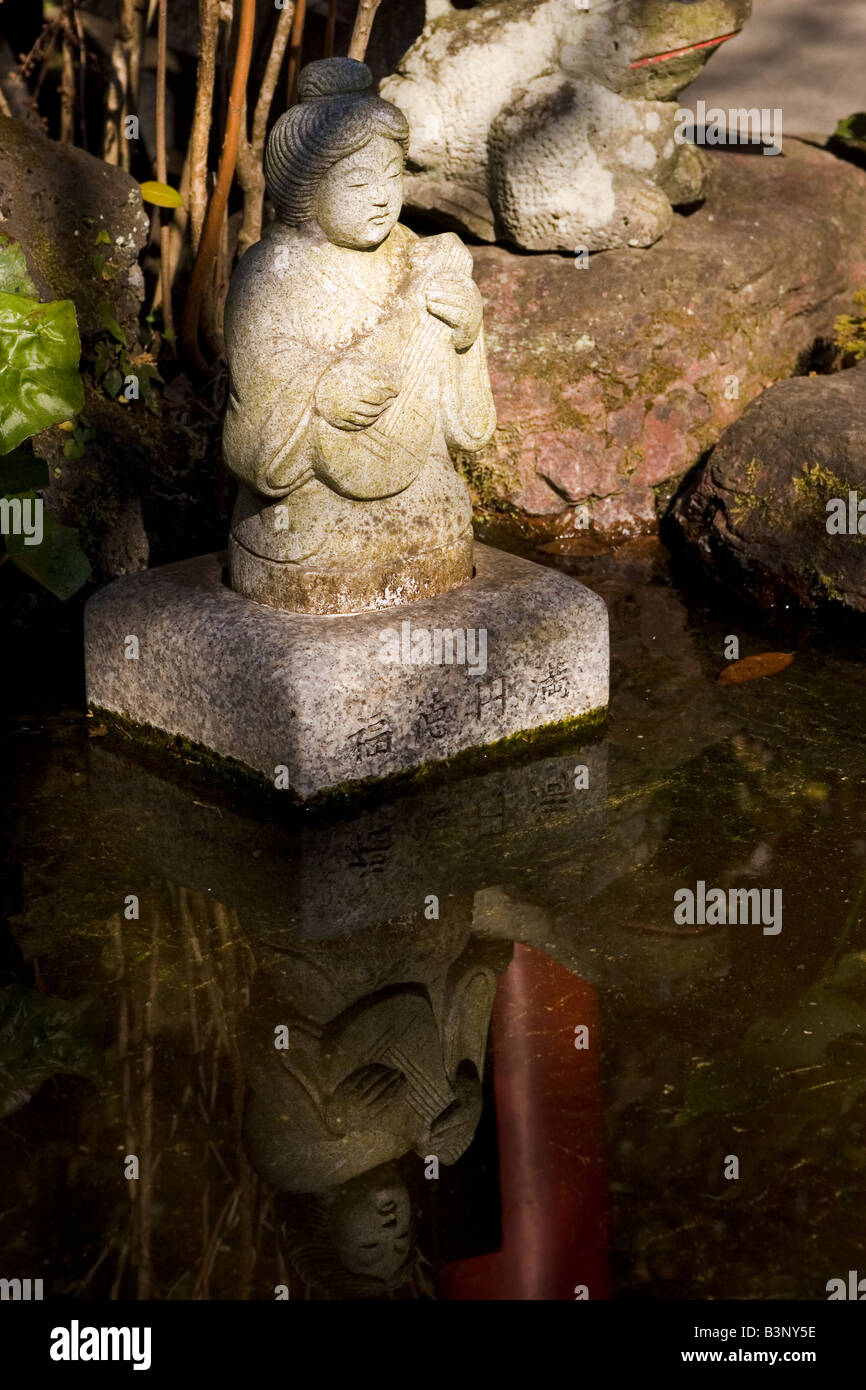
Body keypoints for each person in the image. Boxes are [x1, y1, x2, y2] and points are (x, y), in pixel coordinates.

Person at [223, 57, 496, 615]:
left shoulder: (418, 253)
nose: (381, 196)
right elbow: (257, 397)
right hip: (311, 505)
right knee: (308, 540)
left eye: (392, 177)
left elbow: (467, 431)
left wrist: (467, 337)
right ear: (306, 190)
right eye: (357, 181)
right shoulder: (270, 273)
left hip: (419, 489)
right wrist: (321, 390)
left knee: (441, 513)